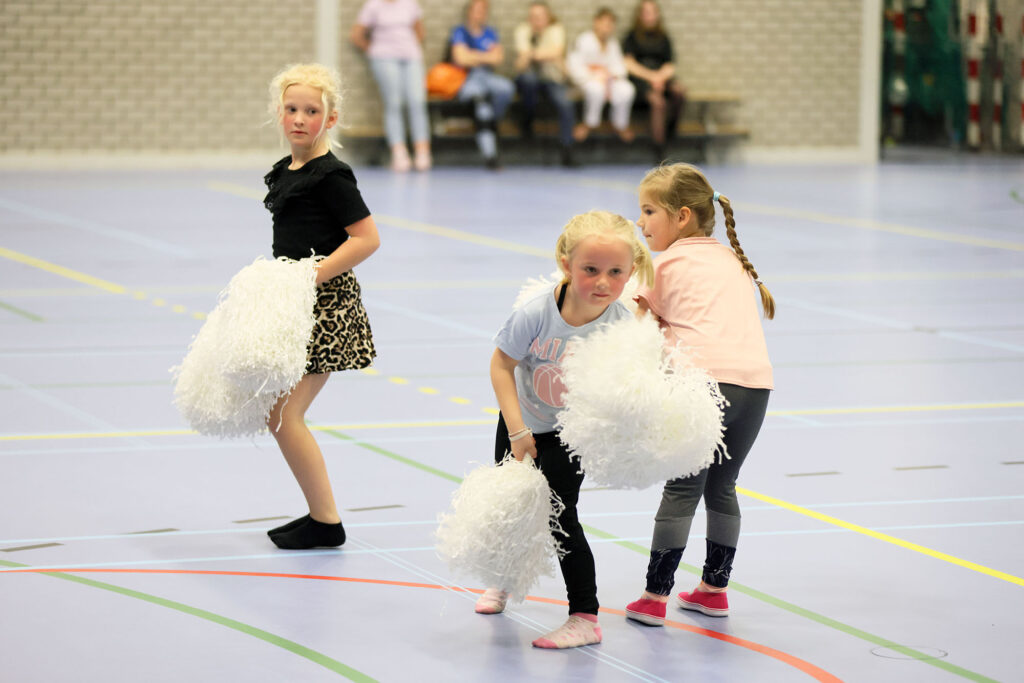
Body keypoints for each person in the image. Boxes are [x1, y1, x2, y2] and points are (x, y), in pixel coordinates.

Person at [478, 211, 654, 649]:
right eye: (590, 270)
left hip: (571, 434)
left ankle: (585, 617)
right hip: (521, 422)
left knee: (560, 517)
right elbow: (502, 364)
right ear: (565, 264)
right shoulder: (536, 313)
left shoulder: (620, 324)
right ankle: (503, 580)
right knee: (509, 505)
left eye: (616, 272)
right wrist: (517, 430)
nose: (602, 282)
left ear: (631, 271)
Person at [624, 163, 774, 626]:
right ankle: (713, 589)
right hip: (756, 384)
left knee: (682, 488)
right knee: (722, 487)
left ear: (682, 216)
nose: (640, 223)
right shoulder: (732, 260)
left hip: (703, 384)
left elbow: (630, 324)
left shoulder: (663, 263)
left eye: (648, 212)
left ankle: (654, 597)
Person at [261, 64, 381, 550]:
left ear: (329, 120)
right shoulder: (288, 170)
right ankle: (321, 516)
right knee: (280, 415)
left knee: (285, 416)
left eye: (312, 111)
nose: (300, 119)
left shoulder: (331, 176)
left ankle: (327, 522)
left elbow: (367, 239)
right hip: (295, 303)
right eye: (292, 109)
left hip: (325, 307)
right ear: (279, 113)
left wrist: (311, 275)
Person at [351, 0, 433, 172]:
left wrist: (409, 47)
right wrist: (373, 50)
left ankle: (422, 151)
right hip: (384, 58)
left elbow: (419, 30)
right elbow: (356, 34)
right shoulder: (372, 6)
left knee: (417, 101)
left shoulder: (409, 4)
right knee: (394, 103)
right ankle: (399, 152)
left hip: (411, 58)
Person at [449, 0, 515, 169]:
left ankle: (494, 120)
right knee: (482, 107)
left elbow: (498, 58)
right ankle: (490, 155)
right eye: (476, 10)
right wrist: (485, 56)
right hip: (468, 78)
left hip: (488, 77)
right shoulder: (460, 32)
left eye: (483, 11)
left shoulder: (490, 33)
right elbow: (460, 58)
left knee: (507, 88)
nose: (480, 14)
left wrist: (472, 55)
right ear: (469, 12)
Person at [513, 1, 578, 167]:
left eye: (540, 17)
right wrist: (540, 53)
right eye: (533, 17)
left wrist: (531, 53)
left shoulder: (556, 30)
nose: (536, 21)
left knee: (566, 103)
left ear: (548, 18)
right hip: (529, 80)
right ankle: (527, 120)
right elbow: (520, 64)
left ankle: (567, 150)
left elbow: (555, 52)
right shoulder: (523, 30)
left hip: (552, 79)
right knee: (529, 80)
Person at [623, 0, 686, 162]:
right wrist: (651, 77)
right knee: (658, 103)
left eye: (652, 12)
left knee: (679, 91)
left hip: (661, 78)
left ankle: (671, 133)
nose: (648, 15)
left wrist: (659, 78)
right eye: (645, 12)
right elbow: (629, 64)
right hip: (641, 81)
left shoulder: (663, 38)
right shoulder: (631, 37)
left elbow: (670, 65)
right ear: (640, 15)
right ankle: (660, 150)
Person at [567, 7, 635, 143]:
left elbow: (620, 67)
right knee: (595, 88)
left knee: (627, 89)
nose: (607, 27)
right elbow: (573, 66)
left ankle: (620, 124)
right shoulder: (583, 40)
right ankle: (589, 123)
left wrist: (609, 74)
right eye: (604, 23)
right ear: (595, 22)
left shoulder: (613, 43)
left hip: (608, 80)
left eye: (610, 24)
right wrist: (596, 74)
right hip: (587, 81)